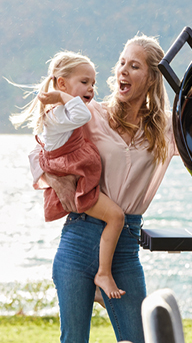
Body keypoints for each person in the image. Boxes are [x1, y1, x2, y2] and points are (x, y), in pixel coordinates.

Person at [28, 35, 178, 343]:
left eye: (134, 66)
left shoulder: (167, 127)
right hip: (79, 238)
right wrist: (57, 180)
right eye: (121, 62)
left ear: (150, 78)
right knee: (73, 339)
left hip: (124, 247)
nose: (123, 70)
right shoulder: (91, 113)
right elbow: (41, 149)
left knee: (138, 338)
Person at [10, 51, 125, 300]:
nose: (91, 89)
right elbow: (82, 116)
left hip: (79, 178)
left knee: (112, 218)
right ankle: (103, 274)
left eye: (93, 83)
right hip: (77, 186)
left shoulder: (60, 112)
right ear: (62, 83)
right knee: (116, 217)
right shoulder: (59, 114)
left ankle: (97, 282)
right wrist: (63, 97)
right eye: (84, 82)